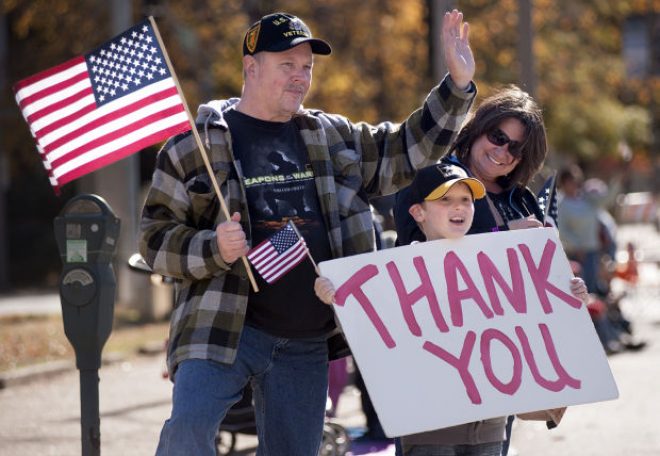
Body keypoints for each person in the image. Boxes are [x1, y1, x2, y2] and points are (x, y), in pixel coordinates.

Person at [140, 10, 477, 456]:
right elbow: (154, 238)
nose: (300, 77)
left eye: (307, 67)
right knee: (187, 434)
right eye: (287, 65)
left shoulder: (331, 136)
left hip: (306, 338)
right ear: (251, 68)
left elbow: (404, 152)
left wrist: (456, 88)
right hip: (222, 329)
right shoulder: (193, 146)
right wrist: (213, 247)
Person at [314, 163, 589, 456]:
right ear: (418, 212)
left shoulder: (503, 263)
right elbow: (368, 333)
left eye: (466, 200)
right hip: (429, 431)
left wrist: (569, 298)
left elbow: (536, 317)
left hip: (490, 427)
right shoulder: (396, 272)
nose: (458, 207)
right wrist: (334, 301)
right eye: (445, 200)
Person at [391, 85, 553, 456]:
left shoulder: (522, 199)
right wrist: (502, 235)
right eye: (499, 137)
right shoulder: (431, 176)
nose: (504, 151)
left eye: (516, 147)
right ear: (479, 128)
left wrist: (564, 288)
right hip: (433, 369)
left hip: (498, 376)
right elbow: (416, 247)